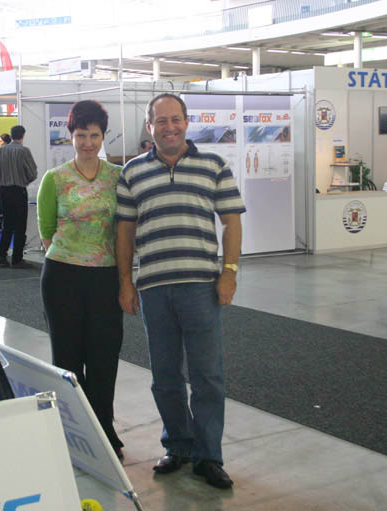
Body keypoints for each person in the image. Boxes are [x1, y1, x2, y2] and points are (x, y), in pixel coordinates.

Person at [116, 93, 245, 490]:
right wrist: (125, 282)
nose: (169, 127)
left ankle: (208, 456)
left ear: (187, 122)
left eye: (175, 119)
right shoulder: (132, 172)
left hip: (201, 287)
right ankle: (178, 445)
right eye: (161, 121)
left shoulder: (214, 165)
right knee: (165, 375)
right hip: (154, 288)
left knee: (208, 376)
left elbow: (231, 222)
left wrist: (229, 272)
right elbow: (124, 230)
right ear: (149, 127)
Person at [37, 100, 124, 458]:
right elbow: (46, 230)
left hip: (106, 278)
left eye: (95, 135)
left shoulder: (117, 177)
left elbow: (124, 228)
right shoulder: (55, 179)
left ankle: (103, 427)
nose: (88, 143)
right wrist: (73, 256)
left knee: (104, 355)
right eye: (81, 135)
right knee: (68, 357)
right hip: (63, 277)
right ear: (70, 136)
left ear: (103, 136)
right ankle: (75, 430)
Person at [0, 125, 37, 267]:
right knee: (20, 226)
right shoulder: (24, 151)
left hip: (4, 191)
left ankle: (1, 255)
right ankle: (17, 259)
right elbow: (33, 173)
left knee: (7, 224)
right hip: (19, 191)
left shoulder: (1, 150)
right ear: (23, 135)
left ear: (11, 136)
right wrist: (24, 181)